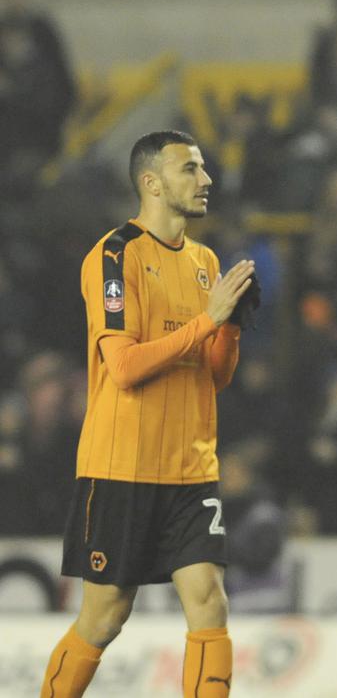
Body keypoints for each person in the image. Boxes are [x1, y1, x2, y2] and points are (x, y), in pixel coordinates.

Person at [39, 130, 257, 698]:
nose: (206, 180)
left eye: (203, 169)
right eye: (190, 169)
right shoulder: (115, 255)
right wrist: (208, 321)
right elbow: (127, 366)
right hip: (121, 467)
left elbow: (216, 374)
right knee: (106, 616)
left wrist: (229, 325)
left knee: (209, 601)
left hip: (190, 469)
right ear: (151, 183)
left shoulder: (207, 262)